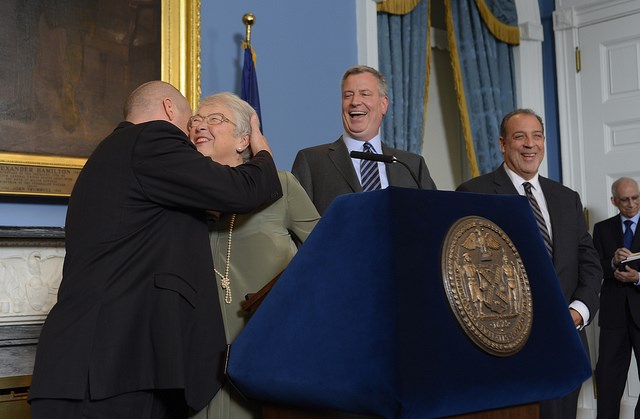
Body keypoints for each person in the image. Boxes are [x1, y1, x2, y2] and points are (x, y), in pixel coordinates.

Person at [28, 81, 283, 419]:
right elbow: (242, 190)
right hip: (114, 372)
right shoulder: (152, 140)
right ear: (167, 109)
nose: (194, 133)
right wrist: (262, 151)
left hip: (87, 370)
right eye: (191, 121)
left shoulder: (110, 156)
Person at [456, 108, 602, 419]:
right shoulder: (474, 193)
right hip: (510, 346)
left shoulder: (566, 197)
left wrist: (578, 312)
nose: (529, 144)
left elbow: (589, 262)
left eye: (536, 136)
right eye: (519, 136)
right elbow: (468, 270)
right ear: (502, 143)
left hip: (566, 340)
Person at [187, 92, 321, 419]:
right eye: (195, 121)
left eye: (215, 119)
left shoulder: (282, 187)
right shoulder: (181, 197)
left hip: (268, 356)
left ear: (243, 139)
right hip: (198, 360)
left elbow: (328, 256)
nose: (201, 126)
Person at [291, 65, 437, 215]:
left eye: (364, 94)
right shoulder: (311, 161)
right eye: (348, 95)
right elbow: (298, 228)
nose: (355, 101)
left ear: (383, 104)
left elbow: (434, 218)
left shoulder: (411, 165)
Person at [593, 177, 640, 419]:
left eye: (636, 198)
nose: (631, 204)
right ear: (614, 201)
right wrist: (612, 262)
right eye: (625, 200)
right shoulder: (602, 229)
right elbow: (593, 268)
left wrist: (638, 277)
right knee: (608, 379)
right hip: (613, 317)